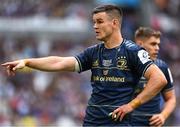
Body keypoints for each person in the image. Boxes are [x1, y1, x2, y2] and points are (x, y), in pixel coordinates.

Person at [1, 5, 167, 126]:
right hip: (92, 121)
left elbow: (159, 79)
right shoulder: (93, 52)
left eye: (100, 22)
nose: (95, 26)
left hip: (118, 123)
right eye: (94, 22)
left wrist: (132, 105)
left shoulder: (133, 51)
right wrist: (28, 62)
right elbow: (59, 62)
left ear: (115, 23)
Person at [132, 27, 176, 126]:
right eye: (153, 44)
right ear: (140, 44)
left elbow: (171, 99)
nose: (157, 48)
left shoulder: (162, 67)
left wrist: (163, 115)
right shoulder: (124, 66)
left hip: (151, 123)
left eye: (158, 44)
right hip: (127, 122)